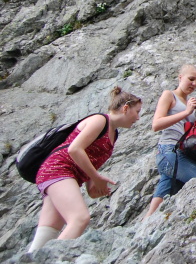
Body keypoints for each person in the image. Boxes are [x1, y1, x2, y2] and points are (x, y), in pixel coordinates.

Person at [29, 87, 142, 252]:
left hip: (61, 174)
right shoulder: (100, 121)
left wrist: (91, 186)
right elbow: (74, 149)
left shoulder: (113, 133)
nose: (138, 118)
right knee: (79, 218)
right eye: (137, 112)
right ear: (125, 108)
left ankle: (32, 258)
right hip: (58, 169)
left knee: (48, 231)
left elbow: (89, 159)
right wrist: (96, 178)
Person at [144, 64, 196, 218]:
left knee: (162, 195)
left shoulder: (190, 104)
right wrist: (186, 112)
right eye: (191, 79)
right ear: (180, 77)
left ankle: (145, 223)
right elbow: (156, 124)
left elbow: (192, 132)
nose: (194, 84)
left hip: (180, 153)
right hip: (169, 151)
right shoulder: (169, 95)